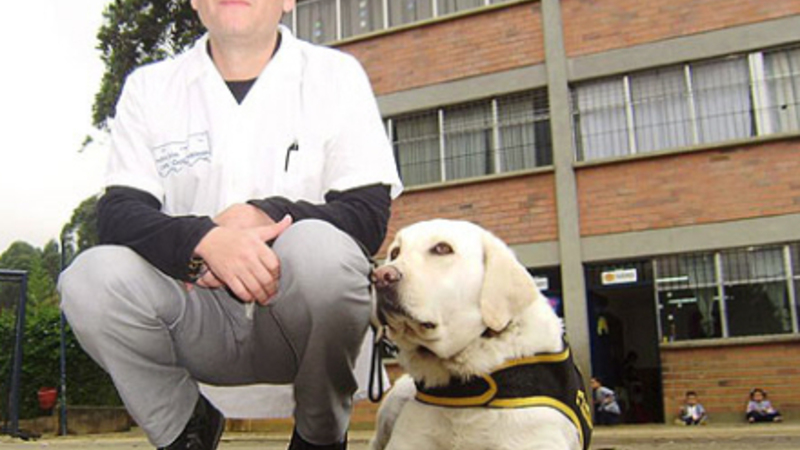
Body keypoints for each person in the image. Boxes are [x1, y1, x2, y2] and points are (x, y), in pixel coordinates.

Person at [57, 0, 402, 449]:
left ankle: (320, 433)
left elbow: (367, 212)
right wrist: (203, 240)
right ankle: (186, 426)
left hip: (298, 325)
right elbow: (119, 212)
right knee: (89, 278)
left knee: (322, 250)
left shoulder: (336, 75)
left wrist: (263, 212)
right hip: (196, 317)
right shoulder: (150, 87)